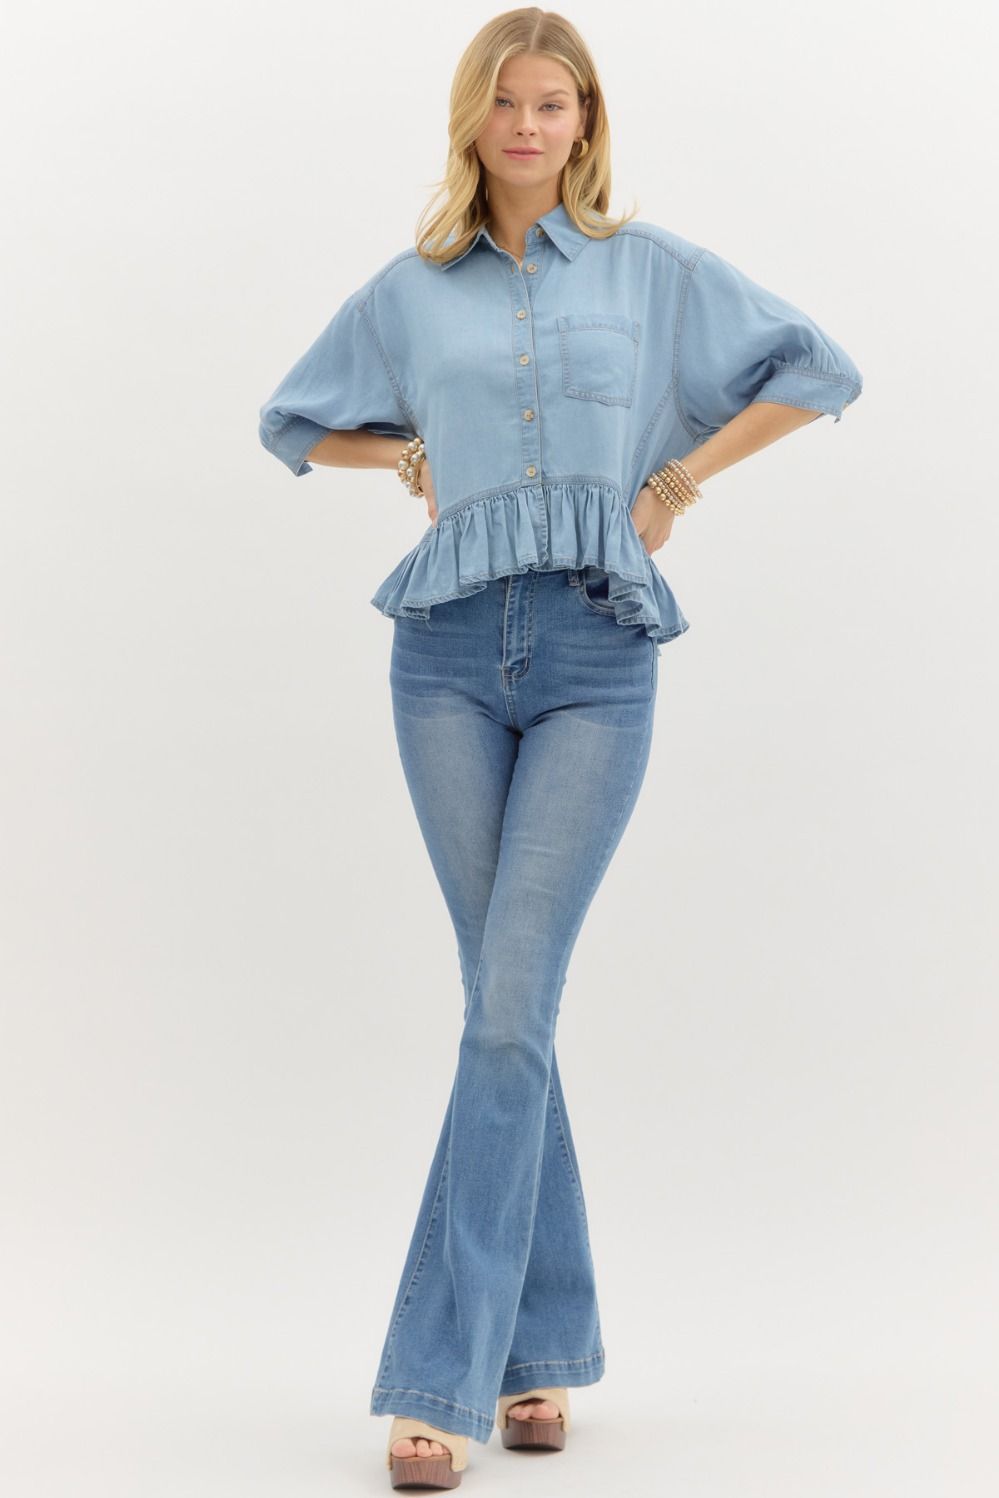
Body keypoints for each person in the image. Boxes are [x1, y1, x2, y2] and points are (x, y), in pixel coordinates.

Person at [257, 9, 863, 1490]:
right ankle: (542, 1351)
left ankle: (439, 1380)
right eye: (506, 103)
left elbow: (816, 368)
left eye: (555, 103)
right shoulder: (410, 292)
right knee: (506, 1010)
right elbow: (292, 420)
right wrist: (402, 453)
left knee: (509, 1008)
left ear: (586, 120)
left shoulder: (654, 275)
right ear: (471, 119)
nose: (529, 127)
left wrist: (678, 482)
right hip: (445, 661)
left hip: (597, 657)